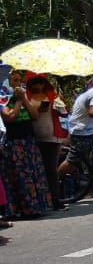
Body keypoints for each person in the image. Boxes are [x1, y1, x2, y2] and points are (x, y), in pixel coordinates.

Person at [0, 76, 52, 218]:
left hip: (29, 142)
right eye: (14, 80)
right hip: (15, 144)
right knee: (21, 178)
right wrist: (17, 101)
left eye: (19, 80)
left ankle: (35, 207)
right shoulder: (3, 99)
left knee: (33, 175)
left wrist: (23, 99)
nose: (18, 84)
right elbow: (10, 117)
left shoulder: (23, 97)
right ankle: (22, 209)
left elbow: (34, 115)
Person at [20, 74, 66, 211]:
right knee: (35, 170)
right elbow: (22, 117)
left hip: (52, 136)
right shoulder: (25, 97)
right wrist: (37, 111)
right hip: (32, 138)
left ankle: (55, 198)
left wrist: (60, 105)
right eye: (34, 83)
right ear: (29, 84)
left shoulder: (53, 95)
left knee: (51, 169)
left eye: (40, 82)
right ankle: (40, 199)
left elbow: (64, 114)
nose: (38, 86)